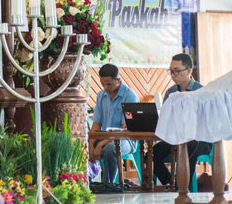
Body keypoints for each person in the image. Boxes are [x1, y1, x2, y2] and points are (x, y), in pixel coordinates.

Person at [152, 53, 211, 188]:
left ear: (189, 71)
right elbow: (166, 119)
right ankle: (170, 183)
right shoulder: (171, 93)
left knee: (190, 147)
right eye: (171, 71)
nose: (173, 75)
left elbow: (205, 122)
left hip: (199, 140)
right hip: (176, 137)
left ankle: (182, 188)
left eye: (177, 71)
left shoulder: (201, 92)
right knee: (152, 153)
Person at [89, 63, 139, 184]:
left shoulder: (129, 96)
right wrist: (91, 145)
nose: (105, 87)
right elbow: (96, 125)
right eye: (102, 84)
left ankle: (108, 184)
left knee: (110, 148)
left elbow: (124, 130)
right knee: (80, 145)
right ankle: (87, 184)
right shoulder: (101, 95)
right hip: (104, 137)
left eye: (109, 84)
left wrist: (100, 145)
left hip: (126, 140)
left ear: (118, 80)